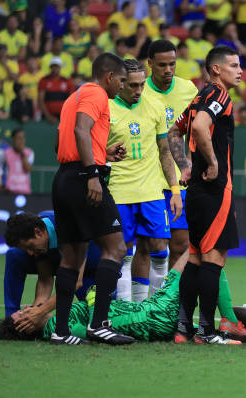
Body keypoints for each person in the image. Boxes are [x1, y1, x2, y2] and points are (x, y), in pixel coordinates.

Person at [0, 250, 246, 343]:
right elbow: (92, 327)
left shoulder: (58, 322)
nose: (26, 307)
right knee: (207, 253)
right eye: (21, 313)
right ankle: (229, 321)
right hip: (154, 316)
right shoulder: (56, 328)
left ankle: (237, 326)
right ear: (24, 325)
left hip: (150, 311)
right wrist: (89, 292)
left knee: (203, 253)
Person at [51, 53, 133, 346]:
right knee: (116, 247)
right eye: (122, 80)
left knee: (73, 257)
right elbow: (80, 130)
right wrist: (92, 173)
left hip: (64, 178)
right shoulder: (96, 93)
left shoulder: (75, 96)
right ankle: (99, 325)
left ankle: (61, 332)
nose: (122, 86)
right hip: (83, 179)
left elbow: (67, 140)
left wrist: (103, 155)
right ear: (109, 76)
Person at [170, 46, 243, 344]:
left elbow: (175, 133)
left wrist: (185, 166)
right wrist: (212, 162)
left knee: (196, 260)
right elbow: (199, 127)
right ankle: (206, 332)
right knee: (214, 260)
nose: (240, 71)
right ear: (216, 69)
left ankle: (183, 330)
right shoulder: (219, 95)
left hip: (196, 191)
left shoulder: (199, 97)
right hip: (215, 189)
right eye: (234, 65)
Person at [107, 58, 182, 302]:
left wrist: (175, 189)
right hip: (119, 192)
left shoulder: (155, 107)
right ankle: (128, 310)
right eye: (132, 86)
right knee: (123, 254)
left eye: (141, 85)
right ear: (120, 83)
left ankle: (154, 309)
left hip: (152, 192)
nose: (139, 90)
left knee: (160, 250)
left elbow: (165, 151)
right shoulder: (106, 109)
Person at [0, 211, 100, 341]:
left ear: (39, 232)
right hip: (63, 262)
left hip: (91, 270)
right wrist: (31, 315)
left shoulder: (70, 228)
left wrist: (41, 311)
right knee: (14, 255)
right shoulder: (40, 238)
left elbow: (75, 282)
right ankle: (12, 325)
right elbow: (45, 280)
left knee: (99, 319)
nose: (30, 253)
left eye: (30, 247)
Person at [143, 40, 199, 271]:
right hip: (148, 180)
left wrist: (190, 163)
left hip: (180, 179)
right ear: (150, 64)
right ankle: (145, 301)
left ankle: (172, 303)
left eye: (172, 64)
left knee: (180, 244)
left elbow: (197, 130)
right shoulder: (140, 90)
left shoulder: (188, 89)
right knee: (154, 245)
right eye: (162, 65)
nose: (168, 70)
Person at [0, 128, 33, 194]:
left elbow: (27, 169)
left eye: (23, 138)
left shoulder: (29, 153)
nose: (21, 140)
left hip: (25, 191)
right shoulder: (6, 153)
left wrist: (22, 153)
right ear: (13, 139)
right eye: (19, 138)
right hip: (9, 192)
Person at [38, 57, 75, 124]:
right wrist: (48, 116)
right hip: (47, 117)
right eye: (53, 66)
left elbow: (71, 101)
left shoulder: (67, 81)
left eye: (57, 66)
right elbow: (40, 100)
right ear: (50, 67)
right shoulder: (43, 80)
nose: (55, 68)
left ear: (60, 67)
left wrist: (65, 116)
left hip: (63, 117)